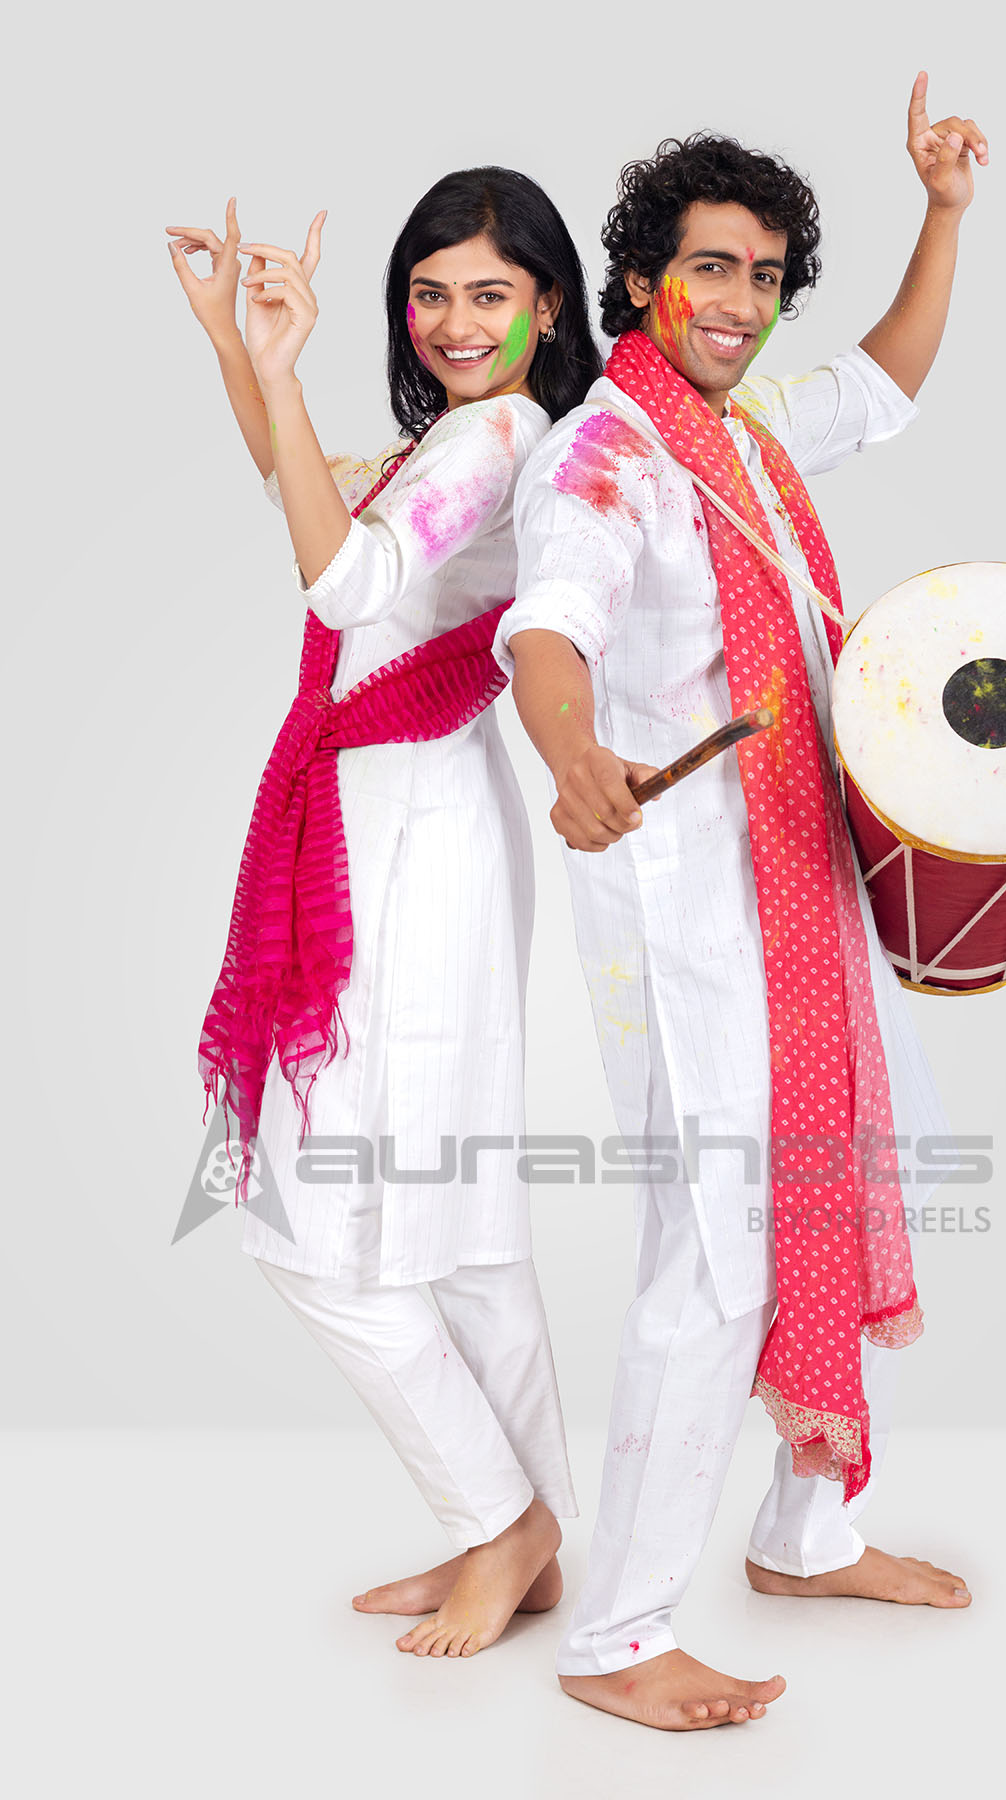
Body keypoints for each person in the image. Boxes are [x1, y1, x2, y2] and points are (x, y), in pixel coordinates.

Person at [497, 74, 987, 1728]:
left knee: (832, 1190)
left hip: (799, 885)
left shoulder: (746, 438)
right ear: (644, 279)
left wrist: (944, 213)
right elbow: (549, 630)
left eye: (766, 277)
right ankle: (618, 1636)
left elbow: (888, 379)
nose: (739, 301)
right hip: (686, 915)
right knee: (715, 1252)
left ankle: (806, 1530)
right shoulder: (608, 454)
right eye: (710, 268)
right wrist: (571, 752)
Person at [167, 166, 603, 1659]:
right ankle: (531, 1538)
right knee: (464, 1232)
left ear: (548, 305)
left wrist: (277, 370)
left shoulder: (492, 440)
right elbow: (307, 499)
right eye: (429, 292)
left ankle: (498, 1520)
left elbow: (345, 585)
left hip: (405, 843)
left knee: (306, 1230)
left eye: (489, 292)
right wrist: (236, 345)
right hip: (416, 822)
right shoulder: (470, 442)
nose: (454, 321)